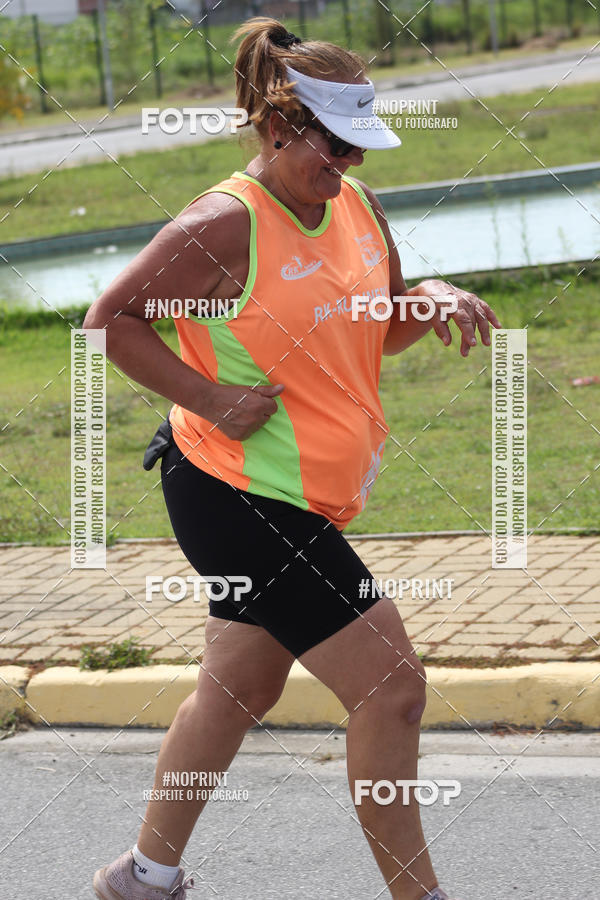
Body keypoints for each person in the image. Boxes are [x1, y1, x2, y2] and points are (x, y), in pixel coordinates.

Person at [87, 17, 500, 900]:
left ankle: (142, 876)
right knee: (391, 686)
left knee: (238, 688)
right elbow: (109, 323)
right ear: (279, 130)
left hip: (302, 496)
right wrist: (210, 400)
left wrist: (427, 299)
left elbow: (380, 331)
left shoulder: (356, 203)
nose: (349, 165)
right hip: (235, 495)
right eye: (334, 147)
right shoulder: (224, 221)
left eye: (359, 149)